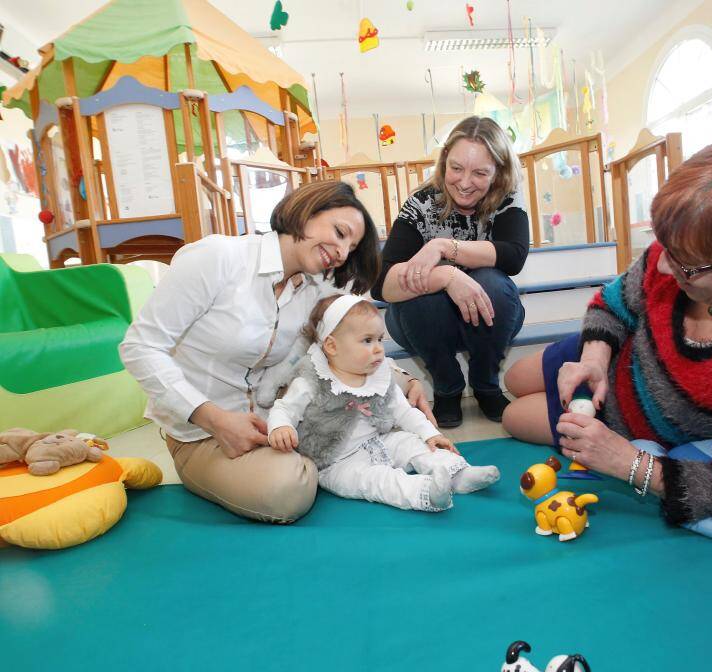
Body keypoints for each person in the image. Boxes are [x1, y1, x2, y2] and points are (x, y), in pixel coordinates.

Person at [502, 126, 712, 527]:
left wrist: (628, 462)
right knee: (514, 377)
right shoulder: (693, 244)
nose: (663, 266)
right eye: (662, 244)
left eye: (686, 262)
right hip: (608, 357)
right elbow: (614, 301)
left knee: (514, 417)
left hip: (622, 420)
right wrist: (595, 357)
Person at [119, 181, 435, 524]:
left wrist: (403, 380)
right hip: (202, 434)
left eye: (351, 246)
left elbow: (346, 340)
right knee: (289, 487)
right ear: (306, 211)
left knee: (377, 428)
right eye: (339, 232)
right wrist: (215, 419)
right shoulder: (217, 258)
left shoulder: (314, 287)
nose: (343, 252)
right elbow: (140, 347)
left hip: (276, 420)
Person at [264, 294, 500, 512]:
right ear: (332, 346)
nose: (378, 349)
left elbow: (403, 411)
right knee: (376, 481)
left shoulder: (378, 376)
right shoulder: (312, 380)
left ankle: (458, 473)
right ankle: (425, 492)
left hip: (378, 442)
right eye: (367, 341)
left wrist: (429, 434)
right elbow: (284, 408)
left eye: (379, 339)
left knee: (411, 443)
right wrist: (280, 426)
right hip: (337, 462)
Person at [371, 116, 528, 428]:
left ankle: (485, 383)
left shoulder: (507, 198)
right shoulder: (420, 202)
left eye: (480, 172)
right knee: (420, 294)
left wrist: (443, 247)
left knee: (493, 283)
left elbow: (513, 257)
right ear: (443, 164)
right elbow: (382, 285)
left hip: (486, 318)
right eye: (456, 168)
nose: (465, 182)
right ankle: (447, 386)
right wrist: (447, 276)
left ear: (498, 173)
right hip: (424, 321)